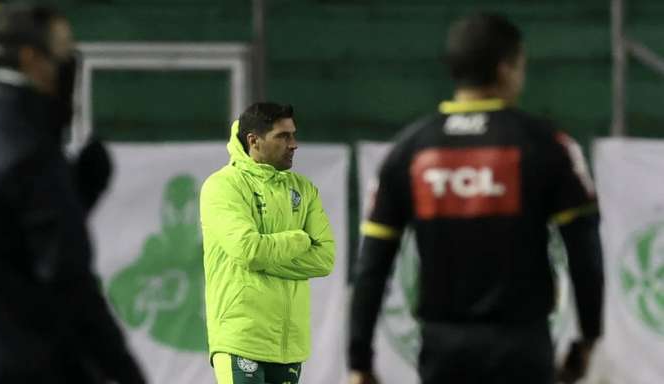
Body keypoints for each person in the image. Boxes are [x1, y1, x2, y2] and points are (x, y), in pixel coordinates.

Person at [347, 13, 604, 384]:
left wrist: (359, 361)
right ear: (505, 70)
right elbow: (585, 254)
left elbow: (372, 265)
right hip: (522, 349)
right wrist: (587, 339)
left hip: (443, 351)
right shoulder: (546, 146)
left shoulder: (409, 152)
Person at [0, 5, 146, 384]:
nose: (70, 64)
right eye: (63, 53)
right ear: (32, 59)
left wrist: (76, 195)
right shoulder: (30, 151)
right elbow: (68, 281)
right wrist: (126, 372)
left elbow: (11, 247)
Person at [199, 103, 335, 384]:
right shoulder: (223, 186)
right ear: (254, 141)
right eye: (283, 137)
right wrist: (299, 239)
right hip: (241, 339)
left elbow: (324, 259)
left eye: (293, 135)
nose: (294, 144)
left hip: (289, 346)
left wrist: (265, 256)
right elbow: (249, 252)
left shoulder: (303, 189)